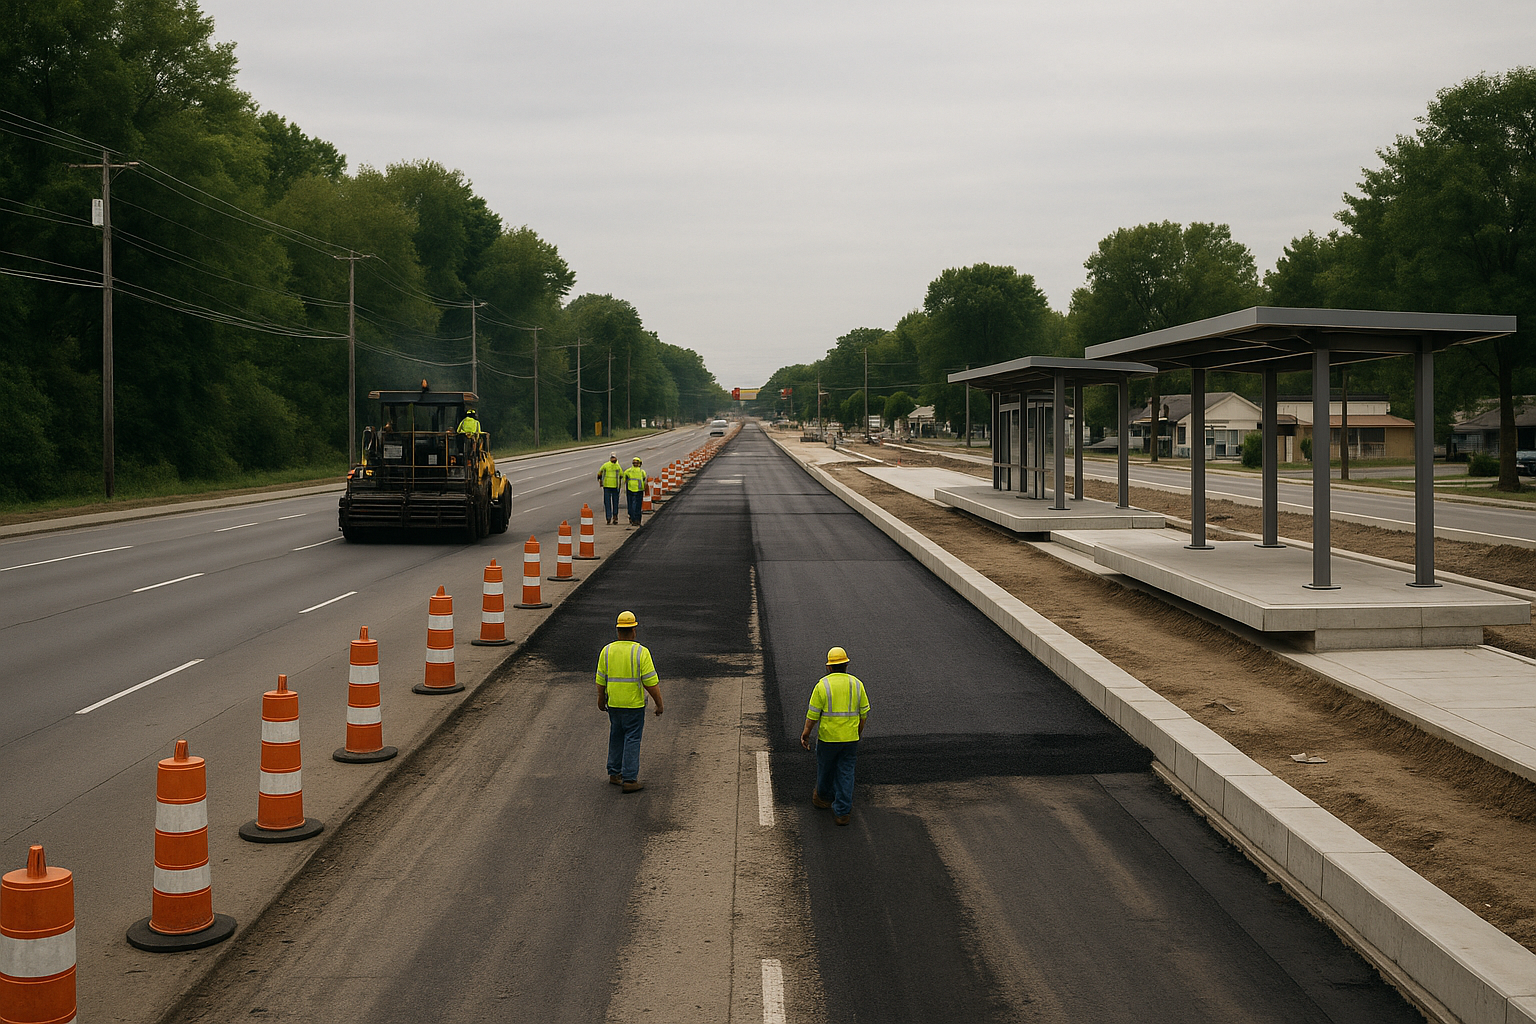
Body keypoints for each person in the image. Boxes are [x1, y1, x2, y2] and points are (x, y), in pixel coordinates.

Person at [800, 645, 870, 825]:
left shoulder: (822, 686)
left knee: (826, 768)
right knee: (846, 772)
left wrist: (806, 733)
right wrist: (857, 733)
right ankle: (843, 812)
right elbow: (863, 715)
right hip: (850, 739)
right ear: (846, 665)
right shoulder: (857, 684)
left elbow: (812, 715)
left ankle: (823, 798)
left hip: (827, 739)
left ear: (829, 667)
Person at [596, 610, 663, 792]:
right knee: (632, 739)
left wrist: (601, 701)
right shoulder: (641, 652)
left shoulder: (607, 651)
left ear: (618, 631)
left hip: (614, 705)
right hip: (634, 706)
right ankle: (630, 780)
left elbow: (601, 681)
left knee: (616, 737)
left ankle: (614, 773)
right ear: (634, 630)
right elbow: (651, 683)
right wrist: (659, 703)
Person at [597, 453, 622, 525]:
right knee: (614, 502)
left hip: (609, 486)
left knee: (608, 502)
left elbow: (599, 473)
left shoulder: (606, 465)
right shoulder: (617, 466)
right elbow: (621, 475)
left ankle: (610, 517)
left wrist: (600, 481)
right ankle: (613, 517)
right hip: (612, 486)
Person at [622, 456, 647, 526]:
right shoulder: (642, 472)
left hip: (630, 490)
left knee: (631, 505)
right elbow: (644, 481)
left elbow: (624, 481)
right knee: (638, 506)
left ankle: (632, 518)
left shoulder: (627, 471)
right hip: (639, 490)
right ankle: (637, 520)